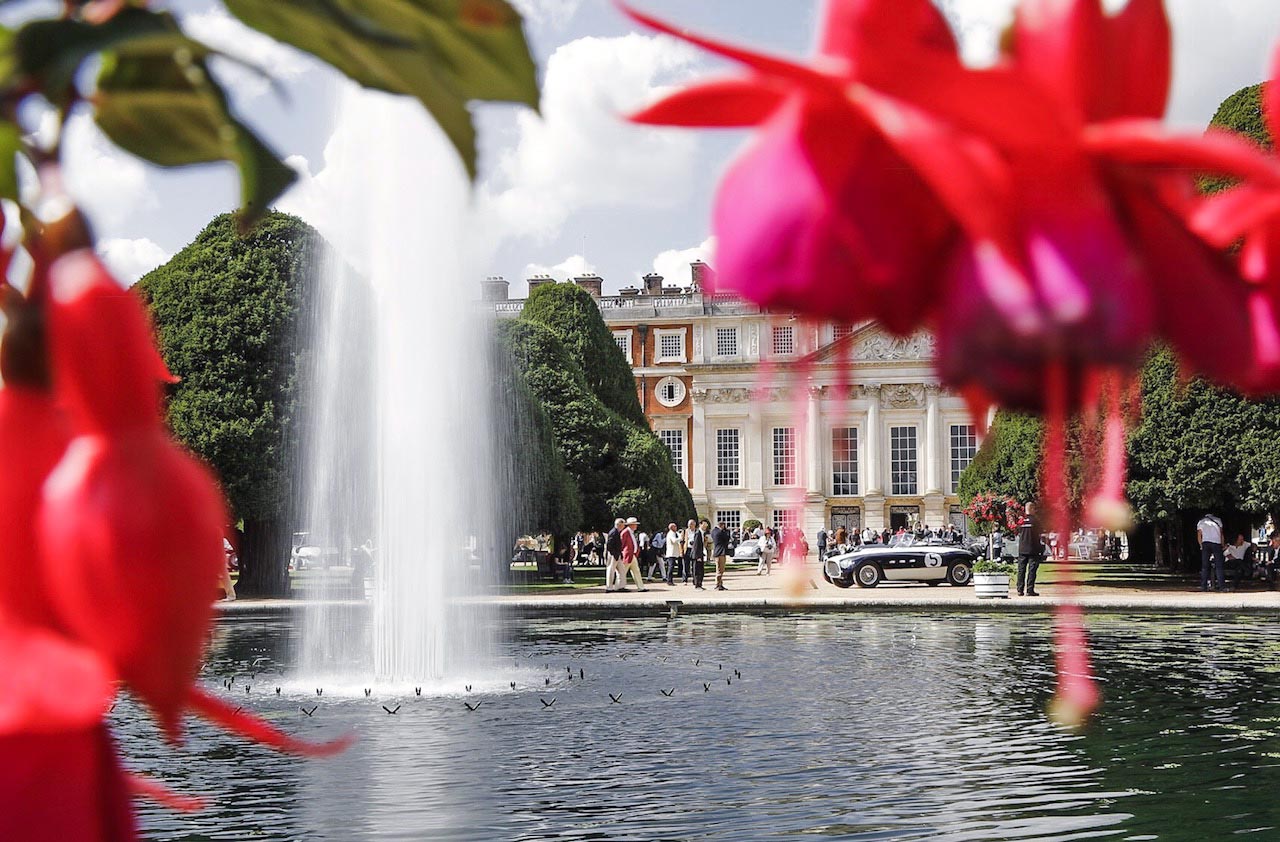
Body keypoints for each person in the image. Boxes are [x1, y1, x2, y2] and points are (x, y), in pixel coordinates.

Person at [1017, 502, 1046, 596]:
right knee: (1032, 570)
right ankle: (1030, 590)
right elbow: (1040, 535)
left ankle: (1019, 589)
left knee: (1021, 570)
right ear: (1032, 509)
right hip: (1033, 548)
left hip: (1022, 548)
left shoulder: (1020, 521)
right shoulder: (1035, 521)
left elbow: (1017, 532)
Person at [1197, 511, 1226, 592]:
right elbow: (1221, 534)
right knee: (1219, 566)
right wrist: (1222, 545)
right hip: (1216, 543)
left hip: (1205, 543)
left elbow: (1199, 534)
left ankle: (1203, 586)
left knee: (1205, 566)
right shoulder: (1218, 520)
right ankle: (1221, 586)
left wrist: (1201, 545)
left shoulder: (1201, 522)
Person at [619, 517, 648, 591]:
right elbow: (621, 544)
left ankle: (641, 587)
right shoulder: (625, 532)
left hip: (633, 555)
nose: (636, 526)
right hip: (627, 555)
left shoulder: (631, 532)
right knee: (623, 571)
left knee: (636, 571)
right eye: (635, 524)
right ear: (631, 525)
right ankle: (619, 586)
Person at [605, 518, 626, 592]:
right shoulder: (614, 532)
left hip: (617, 554)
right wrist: (614, 554)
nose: (624, 526)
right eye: (623, 525)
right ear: (619, 525)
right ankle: (609, 588)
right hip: (613, 554)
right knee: (611, 570)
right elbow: (609, 545)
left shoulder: (617, 532)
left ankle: (620, 586)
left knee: (622, 570)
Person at [711, 518, 731, 591]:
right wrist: (727, 531)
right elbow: (727, 538)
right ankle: (717, 584)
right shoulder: (719, 532)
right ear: (722, 525)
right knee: (720, 569)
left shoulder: (714, 531)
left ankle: (720, 584)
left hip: (718, 551)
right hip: (720, 552)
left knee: (720, 569)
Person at [690, 518, 708, 590]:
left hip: (700, 554)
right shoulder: (698, 533)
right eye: (704, 524)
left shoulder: (702, 533)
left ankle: (699, 584)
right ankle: (697, 585)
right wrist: (698, 556)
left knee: (701, 571)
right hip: (697, 555)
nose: (705, 525)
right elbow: (696, 545)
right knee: (697, 570)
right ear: (700, 524)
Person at [682, 519, 699, 585]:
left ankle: (694, 580)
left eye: (691, 525)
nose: (690, 526)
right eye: (689, 525)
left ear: (694, 525)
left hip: (694, 549)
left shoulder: (697, 531)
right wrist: (682, 551)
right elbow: (681, 541)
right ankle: (685, 580)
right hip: (687, 549)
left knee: (694, 565)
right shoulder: (685, 531)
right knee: (686, 565)